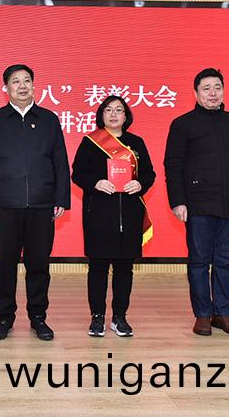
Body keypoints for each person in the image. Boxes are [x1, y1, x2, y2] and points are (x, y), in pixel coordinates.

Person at [0, 64, 71, 341]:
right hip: (4, 204)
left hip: (42, 204)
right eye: (15, 81)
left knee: (38, 264)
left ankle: (38, 317)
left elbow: (60, 162)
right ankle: (5, 317)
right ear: (6, 88)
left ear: (33, 85)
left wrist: (61, 198)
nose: (22, 85)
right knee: (5, 264)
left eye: (26, 80)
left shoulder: (49, 119)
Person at [164, 68, 229, 337]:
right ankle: (203, 315)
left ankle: (223, 313)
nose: (213, 93)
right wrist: (178, 201)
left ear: (224, 91)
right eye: (206, 88)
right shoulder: (183, 124)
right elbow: (173, 166)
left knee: (225, 261)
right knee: (199, 261)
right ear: (196, 93)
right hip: (198, 204)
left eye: (217, 87)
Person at [71, 95, 155, 337]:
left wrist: (140, 184)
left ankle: (120, 317)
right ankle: (97, 317)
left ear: (126, 116)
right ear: (101, 115)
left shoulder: (136, 143)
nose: (114, 114)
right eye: (108, 110)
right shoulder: (90, 142)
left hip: (129, 214)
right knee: (97, 268)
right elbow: (77, 174)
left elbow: (149, 173)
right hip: (98, 213)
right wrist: (95, 183)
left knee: (124, 269)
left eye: (119, 110)